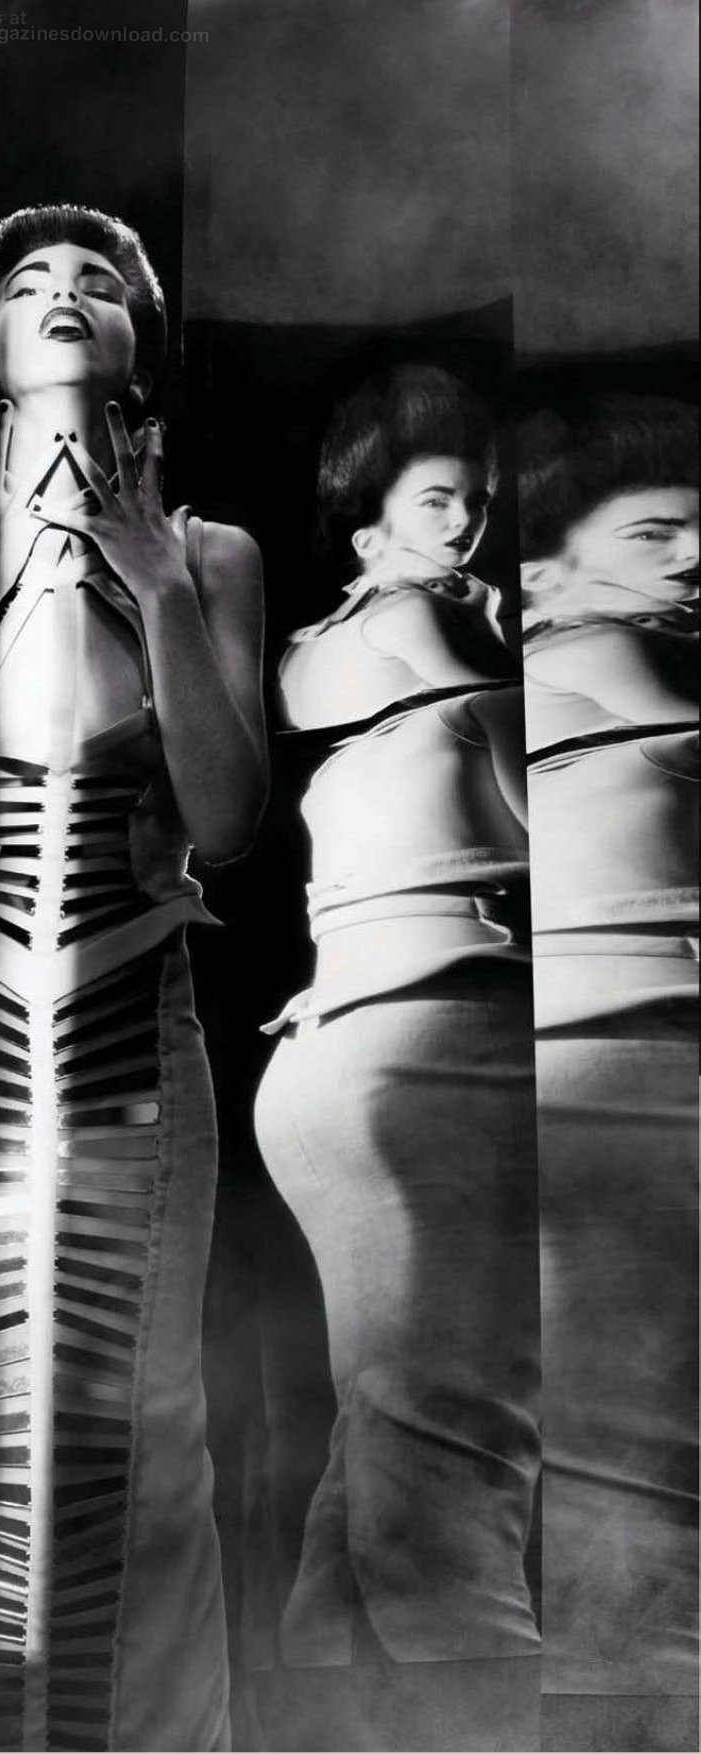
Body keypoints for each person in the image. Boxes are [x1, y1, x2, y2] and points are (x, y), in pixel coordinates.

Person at [0, 204, 266, 1753]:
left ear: (139, 344)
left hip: (135, 1016)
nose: (67, 293)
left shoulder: (210, 555)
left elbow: (227, 817)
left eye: (99, 281)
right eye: (30, 282)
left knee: (146, 1428)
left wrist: (155, 589)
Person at [252, 367, 541, 1681]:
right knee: (457, 1456)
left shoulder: (321, 660)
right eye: (440, 499)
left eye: (478, 501)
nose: (468, 524)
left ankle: (317, 1717)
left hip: (329, 1052)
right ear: (366, 519)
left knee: (381, 1452)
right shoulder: (445, 635)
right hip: (437, 1045)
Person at [519, 396, 698, 1728]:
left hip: (612, 1057)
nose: (691, 557)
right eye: (653, 530)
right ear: (544, 564)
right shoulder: (596, 651)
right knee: (636, 1441)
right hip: (619, 1065)